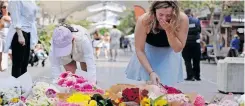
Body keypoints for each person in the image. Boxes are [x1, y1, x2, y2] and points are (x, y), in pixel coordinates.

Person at [125, 1, 189, 86]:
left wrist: (169, 31)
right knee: (148, 88)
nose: (164, 18)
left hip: (169, 55)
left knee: (167, 87)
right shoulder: (144, 20)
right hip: (148, 55)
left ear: (174, 12)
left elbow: (177, 49)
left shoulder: (182, 19)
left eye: (168, 15)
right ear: (154, 12)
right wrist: (151, 72)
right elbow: (139, 49)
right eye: (161, 15)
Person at [4, 1, 38, 78]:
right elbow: (15, 16)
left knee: (25, 63)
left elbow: (32, 19)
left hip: (28, 32)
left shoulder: (32, 1)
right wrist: (20, 35)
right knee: (18, 63)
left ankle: (23, 86)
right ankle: (16, 87)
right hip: (19, 32)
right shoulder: (15, 1)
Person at [182, 9, 201, 81]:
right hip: (195, 43)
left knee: (187, 60)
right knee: (196, 60)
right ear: (191, 13)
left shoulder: (182, 21)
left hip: (185, 43)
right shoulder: (196, 21)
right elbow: (199, 30)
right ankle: (197, 76)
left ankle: (190, 76)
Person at [0, 1, 11, 71]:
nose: (6, 8)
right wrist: (3, 19)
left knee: (11, 53)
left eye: (7, 7)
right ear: (1, 8)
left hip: (9, 37)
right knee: (0, 54)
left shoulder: (11, 17)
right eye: (4, 7)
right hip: (1, 37)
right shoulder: (1, 17)